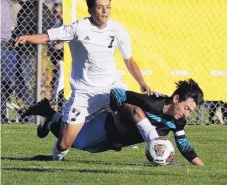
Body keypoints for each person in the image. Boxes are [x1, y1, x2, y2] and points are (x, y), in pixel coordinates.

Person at [16, 0, 152, 161]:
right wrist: (27, 38)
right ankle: (54, 143)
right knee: (65, 143)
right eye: (100, 7)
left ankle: (156, 145)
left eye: (108, 7)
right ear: (90, 8)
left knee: (135, 113)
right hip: (84, 94)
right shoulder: (79, 28)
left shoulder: (118, 30)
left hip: (111, 90)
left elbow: (129, 60)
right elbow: (48, 36)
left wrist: (142, 82)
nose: (105, 12)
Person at [24, 79, 204, 166]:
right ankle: (51, 119)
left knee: (86, 147)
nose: (187, 114)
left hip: (117, 140)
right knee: (74, 142)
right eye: (187, 108)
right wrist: (116, 111)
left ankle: (48, 113)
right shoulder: (151, 102)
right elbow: (118, 93)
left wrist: (200, 166)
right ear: (176, 98)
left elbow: (184, 145)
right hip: (106, 126)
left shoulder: (177, 122)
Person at [10, 0, 55, 122]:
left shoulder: (26, 9)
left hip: (28, 51)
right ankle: (43, 115)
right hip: (43, 49)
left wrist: (13, 39)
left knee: (29, 84)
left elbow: (21, 31)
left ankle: (34, 116)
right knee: (42, 83)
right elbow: (51, 24)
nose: (17, 0)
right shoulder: (42, 7)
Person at [47, 2, 64, 112]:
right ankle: (56, 102)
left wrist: (61, 45)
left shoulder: (67, 23)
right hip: (57, 58)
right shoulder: (57, 24)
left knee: (60, 82)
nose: (57, 14)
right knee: (57, 81)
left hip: (64, 58)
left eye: (58, 12)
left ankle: (57, 101)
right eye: (54, 12)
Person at [0, 0, 14, 123]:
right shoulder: (5, 3)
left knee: (2, 82)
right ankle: (2, 115)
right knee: (2, 82)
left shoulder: (2, 4)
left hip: (1, 43)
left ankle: (2, 115)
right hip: (4, 43)